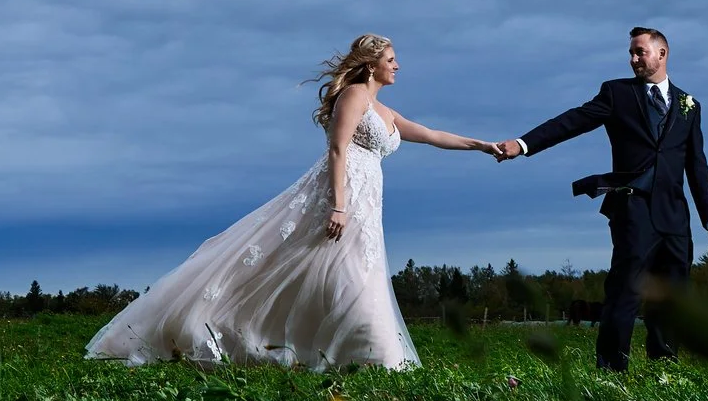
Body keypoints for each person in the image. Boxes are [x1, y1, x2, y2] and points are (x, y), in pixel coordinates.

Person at [85, 34, 496, 369]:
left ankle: (364, 354)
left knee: (351, 272)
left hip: (369, 199)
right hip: (340, 191)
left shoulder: (385, 111)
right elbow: (337, 149)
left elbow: (431, 134)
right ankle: (364, 355)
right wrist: (338, 204)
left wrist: (481, 145)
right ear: (371, 64)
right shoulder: (354, 96)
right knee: (324, 266)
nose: (397, 65)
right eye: (391, 58)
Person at [492, 26, 708, 370]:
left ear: (662, 54)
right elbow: (572, 121)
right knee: (625, 290)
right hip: (633, 208)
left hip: (675, 215)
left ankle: (665, 366)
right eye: (630, 53)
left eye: (639, 52)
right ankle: (611, 368)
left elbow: (697, 166)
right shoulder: (617, 94)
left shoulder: (690, 106)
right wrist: (523, 145)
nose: (632, 59)